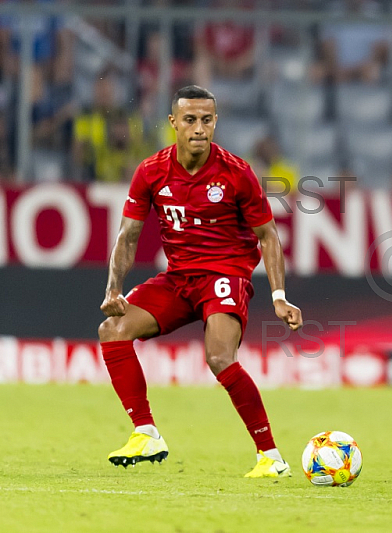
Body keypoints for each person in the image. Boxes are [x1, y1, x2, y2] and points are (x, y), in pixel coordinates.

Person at [98, 85, 302, 478]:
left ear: (215, 122)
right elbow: (128, 236)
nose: (199, 129)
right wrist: (113, 290)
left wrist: (279, 295)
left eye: (206, 120)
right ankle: (146, 432)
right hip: (179, 279)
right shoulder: (151, 171)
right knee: (113, 329)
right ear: (173, 123)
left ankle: (270, 456)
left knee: (219, 357)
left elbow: (268, 236)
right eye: (190, 120)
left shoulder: (237, 173)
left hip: (225, 274)